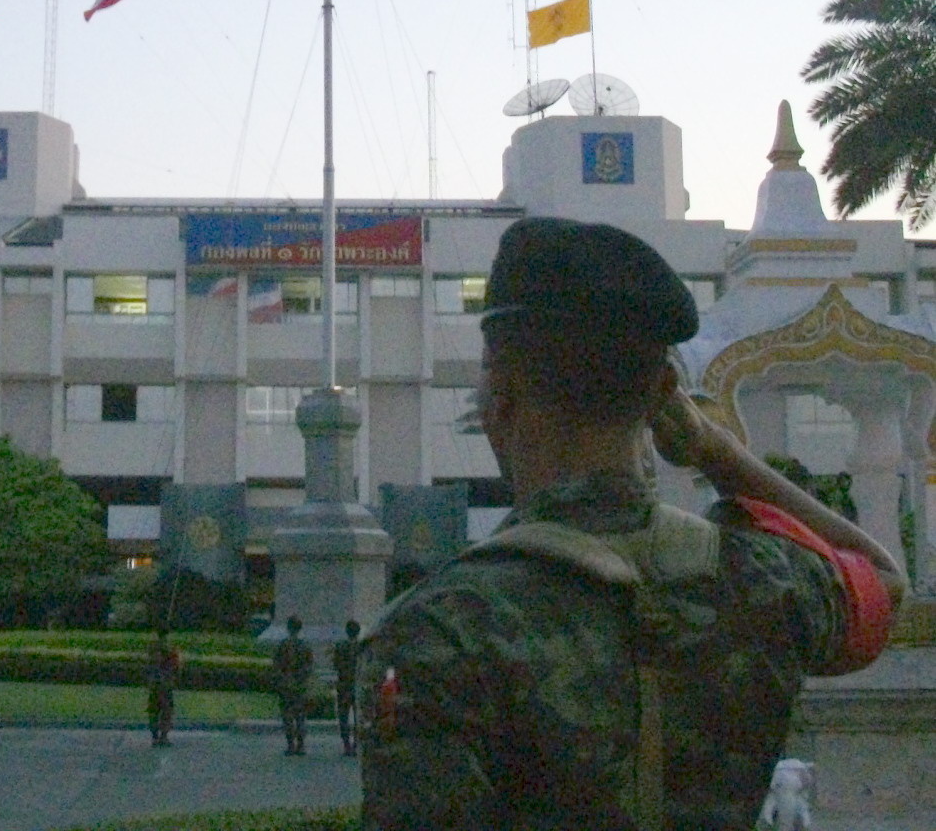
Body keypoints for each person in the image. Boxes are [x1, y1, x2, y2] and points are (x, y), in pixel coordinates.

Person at [358, 217, 904, 831]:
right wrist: (716, 451)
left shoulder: (441, 629)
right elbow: (883, 578)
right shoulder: (765, 579)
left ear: (498, 395)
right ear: (663, 394)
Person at [271, 614, 314, 755]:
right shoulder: (305, 646)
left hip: (286, 684)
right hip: (300, 684)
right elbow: (309, 666)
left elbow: (276, 665)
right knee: (300, 716)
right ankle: (301, 745)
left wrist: (282, 679)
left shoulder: (283, 645)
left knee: (287, 716)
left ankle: (291, 745)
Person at [332, 618, 362, 755]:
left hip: (344, 684)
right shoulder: (362, 647)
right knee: (359, 717)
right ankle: (357, 744)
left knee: (343, 716)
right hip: (358, 684)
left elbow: (336, 664)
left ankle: (346, 745)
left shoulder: (340, 646)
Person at [145, 632, 180, 746]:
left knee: (154, 709)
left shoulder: (153, 648)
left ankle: (155, 736)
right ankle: (163, 736)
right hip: (165, 684)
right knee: (166, 709)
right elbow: (175, 666)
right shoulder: (169, 649)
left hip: (155, 683)